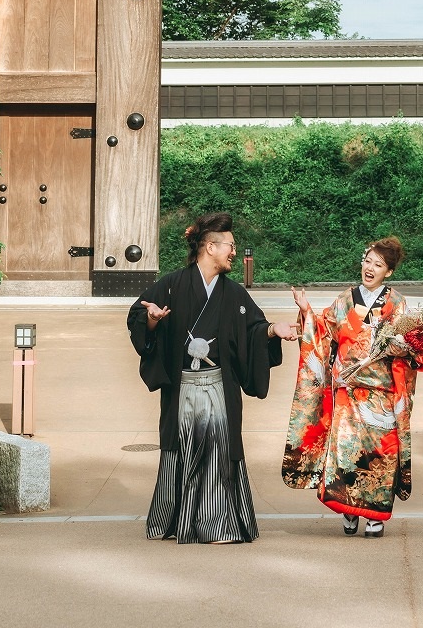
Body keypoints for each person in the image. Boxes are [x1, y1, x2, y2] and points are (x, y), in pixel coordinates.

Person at [127, 210, 298, 544]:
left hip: (219, 387)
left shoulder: (233, 293)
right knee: (180, 450)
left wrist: (272, 330)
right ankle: (174, 520)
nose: (235, 252)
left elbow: (253, 329)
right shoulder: (174, 284)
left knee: (220, 453)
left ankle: (218, 525)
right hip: (184, 388)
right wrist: (151, 320)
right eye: (230, 246)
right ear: (209, 247)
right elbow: (139, 313)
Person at [282, 236, 423, 538]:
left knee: (379, 454)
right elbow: (325, 332)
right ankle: (348, 509)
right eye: (368, 261)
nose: (370, 268)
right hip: (348, 391)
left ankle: (375, 516)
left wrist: (401, 347)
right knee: (345, 452)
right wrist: (308, 312)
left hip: (381, 394)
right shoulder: (346, 299)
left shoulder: (396, 303)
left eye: (378, 265)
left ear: (389, 272)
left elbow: (411, 345)